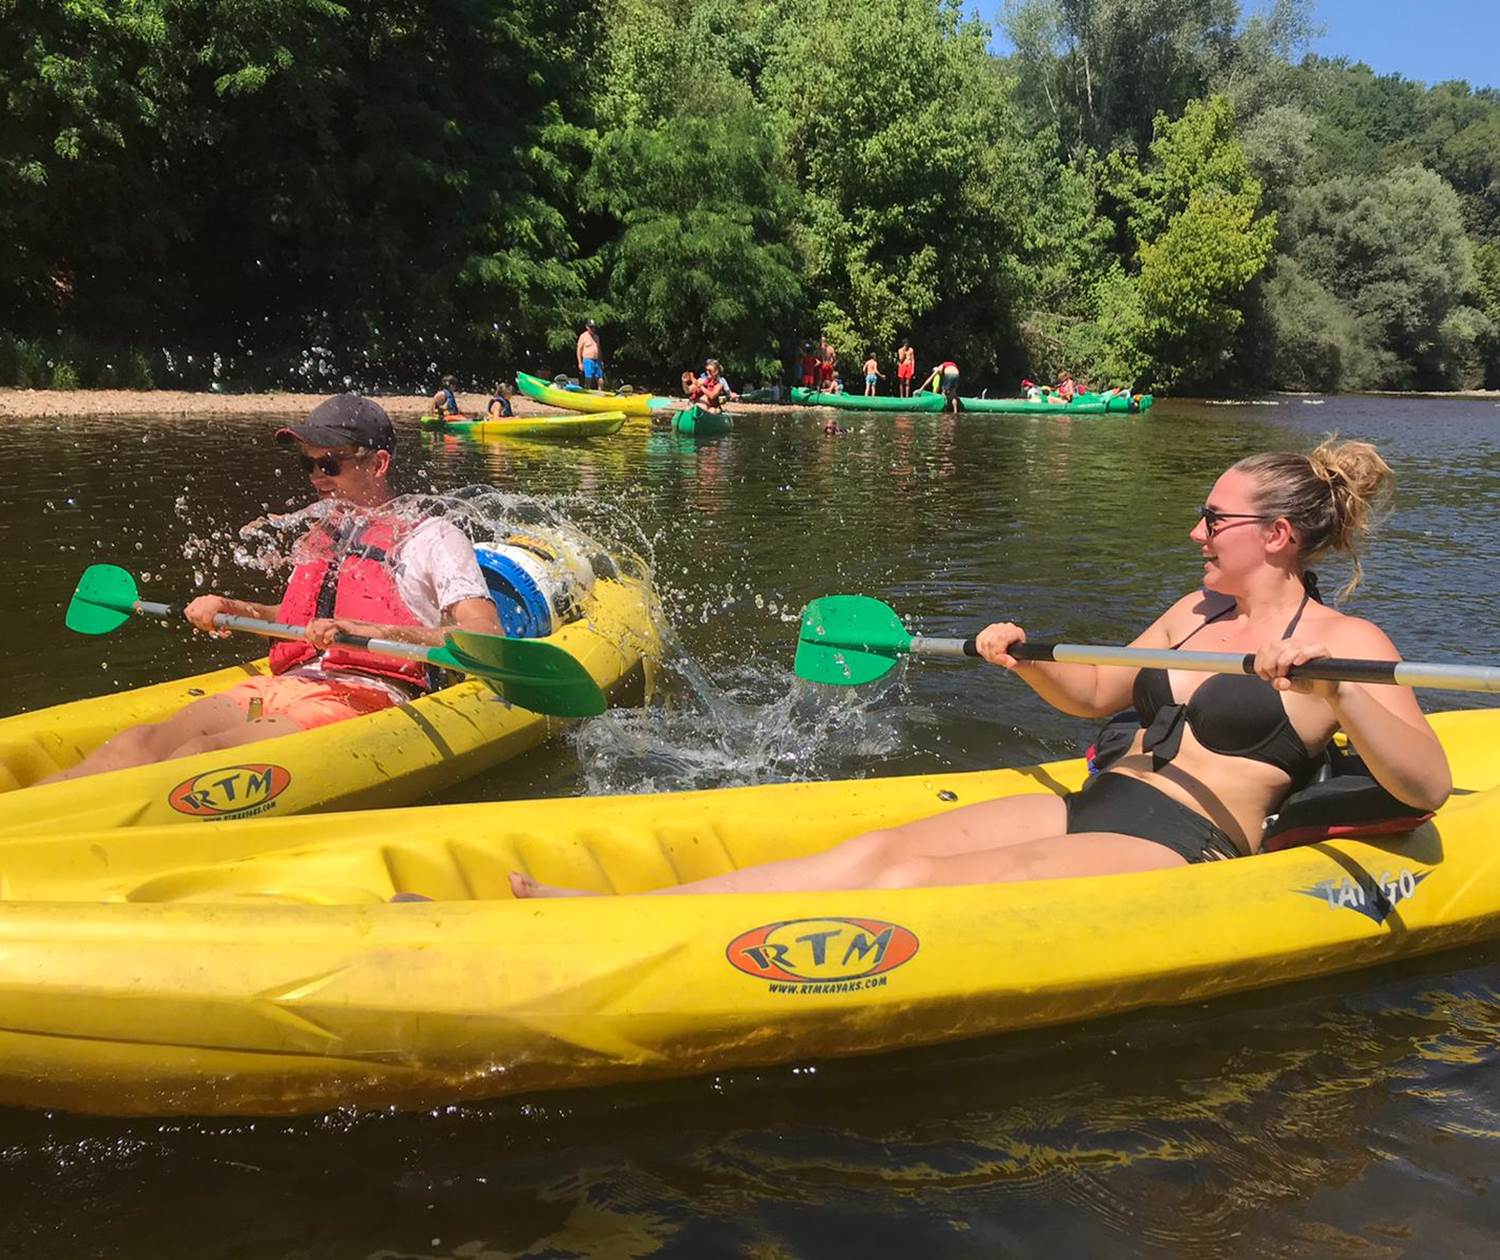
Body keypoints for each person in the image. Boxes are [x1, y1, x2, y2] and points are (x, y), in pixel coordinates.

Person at [511, 438, 1451, 898]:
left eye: (1215, 519)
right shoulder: (1193, 610)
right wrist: (1020, 662)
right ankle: (615, 907)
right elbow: (1092, 693)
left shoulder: (1351, 645)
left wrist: (1332, 687)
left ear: (1277, 536)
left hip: (1187, 845)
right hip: (1100, 797)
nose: (1195, 531)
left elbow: (1424, 784)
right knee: (873, 854)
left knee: (913, 884)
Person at [44, 396, 504, 783]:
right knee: (138, 744)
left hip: (369, 696)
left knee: (200, 757)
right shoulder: (322, 533)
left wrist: (360, 628)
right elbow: (293, 619)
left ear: (378, 463)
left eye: (329, 463)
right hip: (292, 683)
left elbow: (485, 638)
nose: (316, 477)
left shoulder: (432, 537)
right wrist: (229, 605)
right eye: (308, 464)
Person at [576, 319, 603, 390]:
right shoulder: (583, 336)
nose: (592, 329)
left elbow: (598, 349)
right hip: (587, 359)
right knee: (588, 377)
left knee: (600, 378)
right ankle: (587, 391)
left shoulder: (596, 337)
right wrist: (580, 363)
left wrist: (600, 360)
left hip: (596, 360)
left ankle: (600, 392)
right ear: (587, 327)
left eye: (594, 327)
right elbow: (579, 350)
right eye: (591, 327)